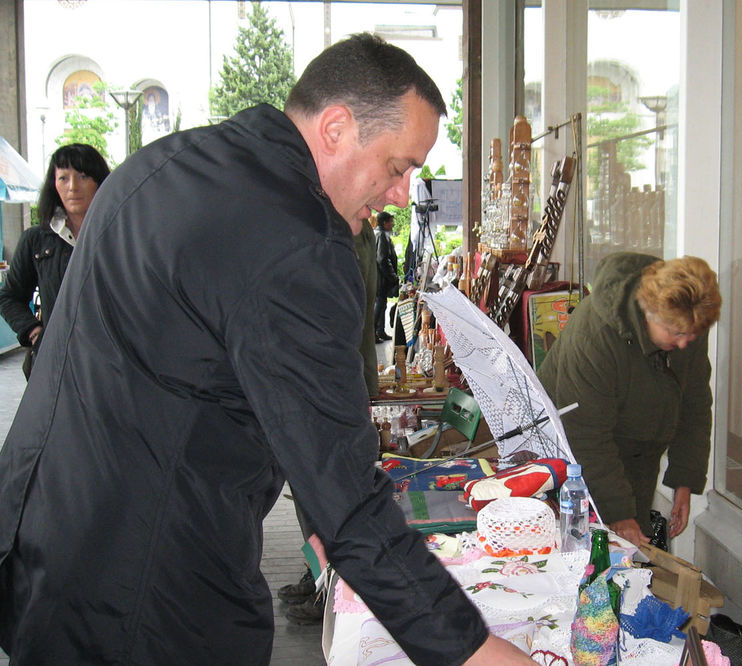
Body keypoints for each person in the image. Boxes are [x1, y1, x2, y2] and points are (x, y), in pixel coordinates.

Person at [0, 33, 531, 665]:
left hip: (46, 544)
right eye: (398, 167)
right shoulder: (298, 241)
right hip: (145, 595)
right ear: (336, 127)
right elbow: (350, 504)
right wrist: (477, 653)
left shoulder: (165, 163)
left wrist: (319, 517)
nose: (399, 194)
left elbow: (261, 399)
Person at [538, 253, 721, 548]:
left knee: (628, 553)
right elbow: (586, 434)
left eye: (694, 334)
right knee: (584, 551)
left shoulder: (686, 321)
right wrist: (619, 513)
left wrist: (685, 480)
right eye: (676, 333)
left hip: (637, 455)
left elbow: (696, 405)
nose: (686, 343)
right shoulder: (594, 334)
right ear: (648, 310)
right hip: (572, 460)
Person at [279, 214, 381, 625]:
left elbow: (339, 317)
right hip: (325, 381)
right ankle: (317, 572)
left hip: (329, 385)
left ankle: (330, 588)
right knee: (307, 500)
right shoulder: (347, 230)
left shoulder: (348, 233)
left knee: (320, 498)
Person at [0, 143, 110, 379]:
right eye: (63, 178)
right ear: (54, 185)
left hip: (110, 364)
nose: (73, 187)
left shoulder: (118, 235)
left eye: (83, 176)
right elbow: (8, 297)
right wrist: (35, 332)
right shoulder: (37, 240)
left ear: (100, 182)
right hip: (57, 366)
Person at [374, 209, 399, 341]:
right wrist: (393, 277)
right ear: (385, 223)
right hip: (381, 278)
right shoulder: (382, 236)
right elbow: (382, 259)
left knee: (381, 304)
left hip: (377, 277)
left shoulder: (376, 234)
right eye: (391, 222)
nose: (392, 224)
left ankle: (379, 331)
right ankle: (374, 332)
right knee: (379, 304)